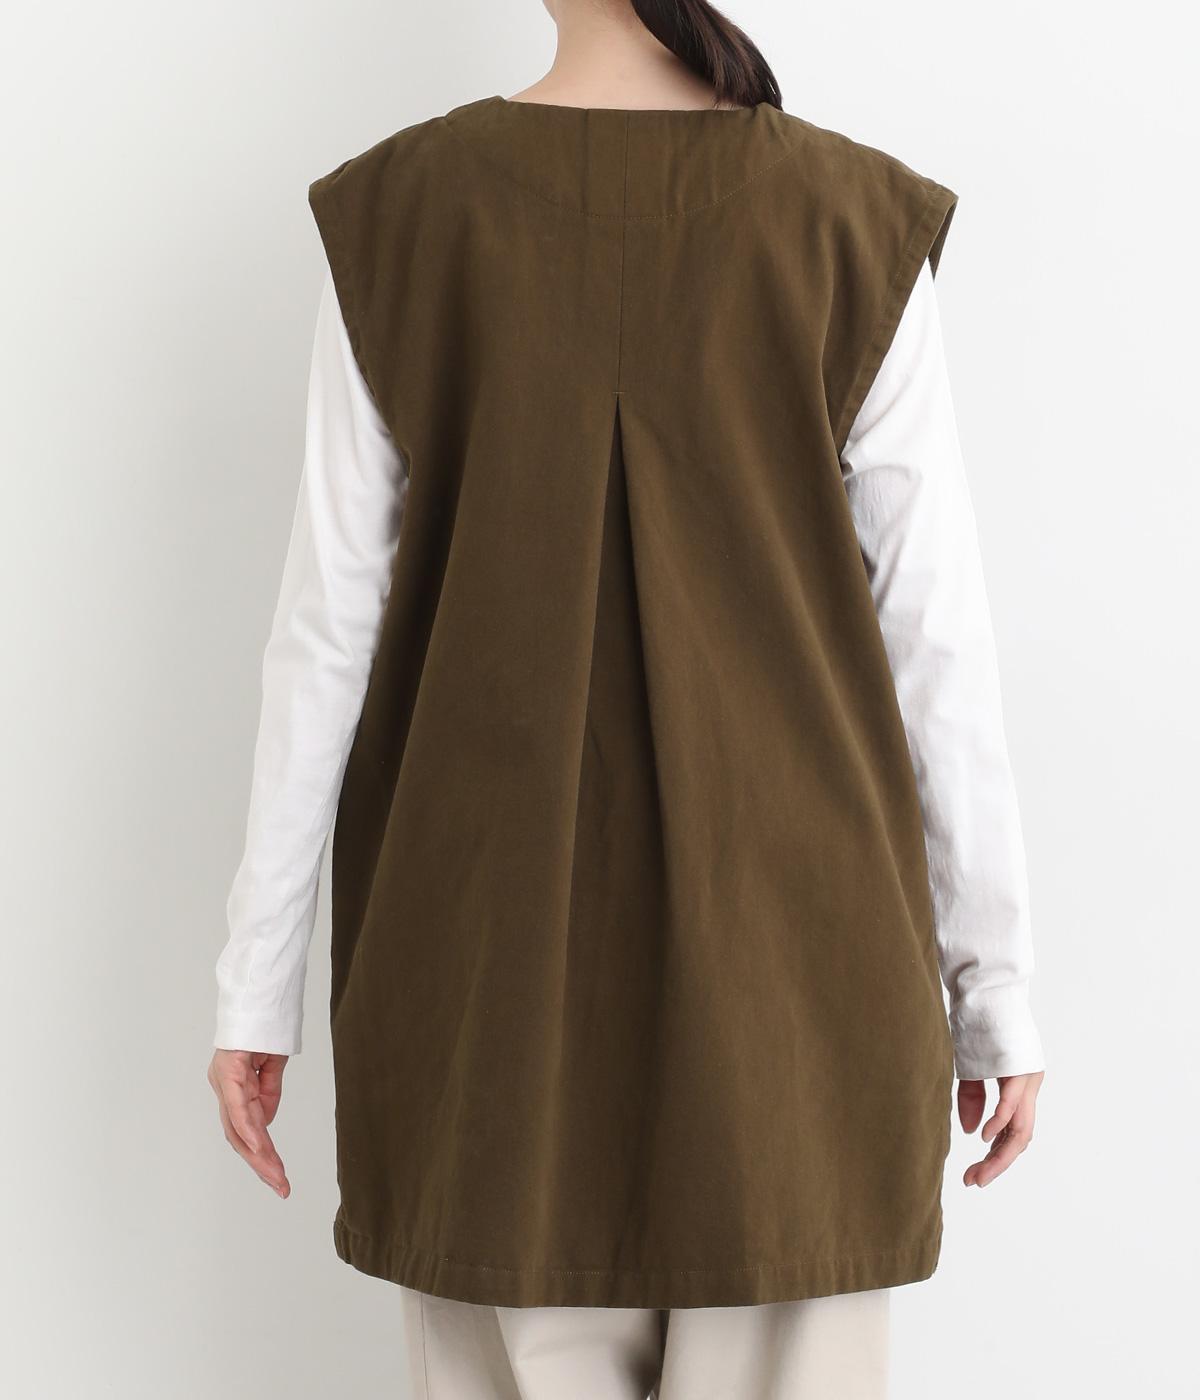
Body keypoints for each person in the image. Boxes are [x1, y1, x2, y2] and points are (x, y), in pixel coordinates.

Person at [208, 1, 1046, 1395]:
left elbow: (323, 638)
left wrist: (257, 989)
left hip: (482, 998)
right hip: (801, 1001)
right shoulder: (849, 221)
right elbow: (936, 644)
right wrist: (994, 992)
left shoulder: (403, 214)